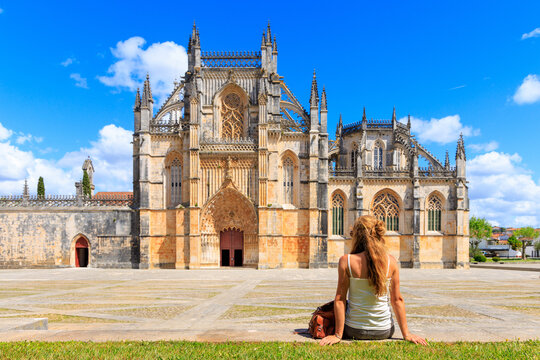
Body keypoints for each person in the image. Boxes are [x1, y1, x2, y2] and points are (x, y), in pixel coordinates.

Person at [320, 215, 427, 345]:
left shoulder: (346, 261)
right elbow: (397, 300)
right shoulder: (391, 261)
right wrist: (407, 334)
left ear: (357, 236)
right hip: (384, 330)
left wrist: (338, 335)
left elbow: (340, 299)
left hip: (354, 330)